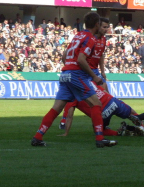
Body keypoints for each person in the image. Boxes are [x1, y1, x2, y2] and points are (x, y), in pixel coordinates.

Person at [31, 12, 117, 148]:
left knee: (56, 108)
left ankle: (38, 136)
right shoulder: (90, 38)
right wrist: (94, 76)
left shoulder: (78, 35)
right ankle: (100, 138)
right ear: (96, 24)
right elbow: (81, 59)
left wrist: (69, 67)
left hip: (65, 74)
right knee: (96, 104)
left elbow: (65, 55)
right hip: (76, 75)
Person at [58, 81, 144, 137]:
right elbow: (103, 86)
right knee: (130, 112)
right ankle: (142, 126)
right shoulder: (89, 82)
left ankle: (118, 133)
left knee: (98, 129)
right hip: (111, 100)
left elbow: (69, 116)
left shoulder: (72, 95)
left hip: (102, 111)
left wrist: (66, 132)